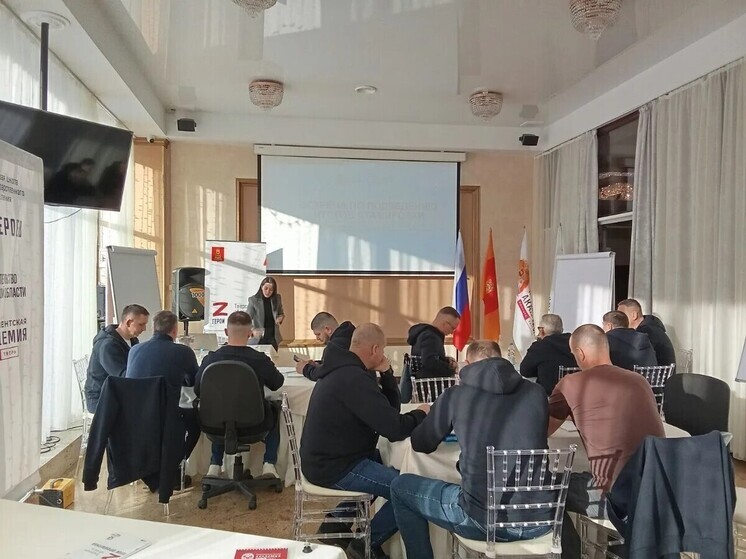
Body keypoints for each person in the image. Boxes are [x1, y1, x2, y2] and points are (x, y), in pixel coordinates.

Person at [390, 341, 551, 559]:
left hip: (482, 521)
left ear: (466, 363)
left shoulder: (456, 395)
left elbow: (421, 443)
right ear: (501, 358)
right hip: (541, 519)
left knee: (400, 487)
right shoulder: (537, 392)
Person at [300, 323, 429, 559]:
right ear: (375, 349)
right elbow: (395, 429)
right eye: (383, 350)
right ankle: (365, 543)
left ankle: (335, 523)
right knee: (408, 491)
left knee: (382, 460)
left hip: (329, 458)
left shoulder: (347, 370)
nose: (384, 355)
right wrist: (421, 413)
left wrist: (387, 374)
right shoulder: (353, 378)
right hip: (335, 467)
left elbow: (389, 413)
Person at [548, 324, 664, 558]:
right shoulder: (639, 380)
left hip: (614, 498)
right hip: (659, 491)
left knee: (545, 490)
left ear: (580, 353)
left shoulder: (571, 384)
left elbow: (542, 431)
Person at [195, 311, 285, 479]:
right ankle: (268, 465)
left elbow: (197, 389)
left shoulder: (210, 359)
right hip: (255, 425)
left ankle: (215, 465)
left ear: (226, 332)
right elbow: (277, 383)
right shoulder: (259, 359)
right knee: (275, 407)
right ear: (250, 333)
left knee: (220, 407)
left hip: (214, 425)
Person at [126, 310, 200, 465]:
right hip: (167, 415)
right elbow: (195, 383)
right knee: (196, 423)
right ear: (174, 331)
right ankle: (177, 463)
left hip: (135, 415)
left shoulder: (134, 350)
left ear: (153, 328)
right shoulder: (183, 352)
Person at [85, 304, 149, 413]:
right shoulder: (108, 345)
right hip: (101, 398)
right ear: (129, 322)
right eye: (141, 324)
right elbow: (122, 377)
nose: (144, 329)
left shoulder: (133, 340)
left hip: (116, 392)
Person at [402, 307, 460, 402]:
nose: (452, 332)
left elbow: (430, 357)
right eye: (453, 328)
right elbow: (430, 362)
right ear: (445, 323)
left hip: (424, 386)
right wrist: (450, 369)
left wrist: (445, 360)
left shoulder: (423, 334)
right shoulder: (431, 337)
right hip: (431, 389)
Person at [519, 313, 577, 395]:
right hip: (576, 397)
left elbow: (525, 371)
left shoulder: (540, 346)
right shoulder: (575, 343)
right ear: (562, 330)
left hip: (548, 397)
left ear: (541, 330)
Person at [295, 312, 356, 381]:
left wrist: (305, 369)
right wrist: (318, 364)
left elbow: (322, 374)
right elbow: (333, 365)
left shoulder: (335, 346)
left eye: (318, 334)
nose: (317, 338)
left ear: (328, 329)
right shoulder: (349, 336)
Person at [617, 298, 676, 367]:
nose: (619, 320)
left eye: (622, 316)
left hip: (656, 373)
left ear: (634, 315)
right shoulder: (652, 328)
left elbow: (634, 357)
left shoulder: (646, 332)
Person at [246, 277, 285, 350]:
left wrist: (281, 317)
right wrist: (252, 330)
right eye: (266, 288)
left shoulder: (277, 298)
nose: (268, 292)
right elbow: (246, 319)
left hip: (273, 336)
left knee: (273, 356)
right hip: (259, 337)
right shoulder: (253, 300)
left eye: (271, 290)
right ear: (261, 287)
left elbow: (281, 313)